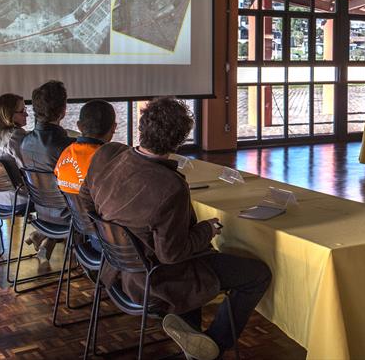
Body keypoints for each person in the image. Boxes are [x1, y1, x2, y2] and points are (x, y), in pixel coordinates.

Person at [82, 97, 271, 360]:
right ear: (179, 141)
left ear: (142, 127)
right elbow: (172, 254)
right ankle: (214, 345)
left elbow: (85, 203)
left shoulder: (107, 156)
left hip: (115, 270)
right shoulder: (170, 185)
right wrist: (207, 229)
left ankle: (194, 340)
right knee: (258, 274)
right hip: (156, 280)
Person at [15, 80, 75, 265]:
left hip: (41, 212)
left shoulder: (24, 143)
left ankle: (44, 239)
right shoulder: (67, 148)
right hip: (67, 216)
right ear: (63, 111)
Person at [0, 94, 30, 239]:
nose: (27, 114)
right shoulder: (15, 136)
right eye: (22, 111)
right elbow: (29, 171)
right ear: (9, 115)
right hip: (18, 200)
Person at [54, 100, 117, 196]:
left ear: (79, 126)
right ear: (113, 127)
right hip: (97, 209)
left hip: (69, 210)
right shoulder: (111, 161)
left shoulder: (66, 153)